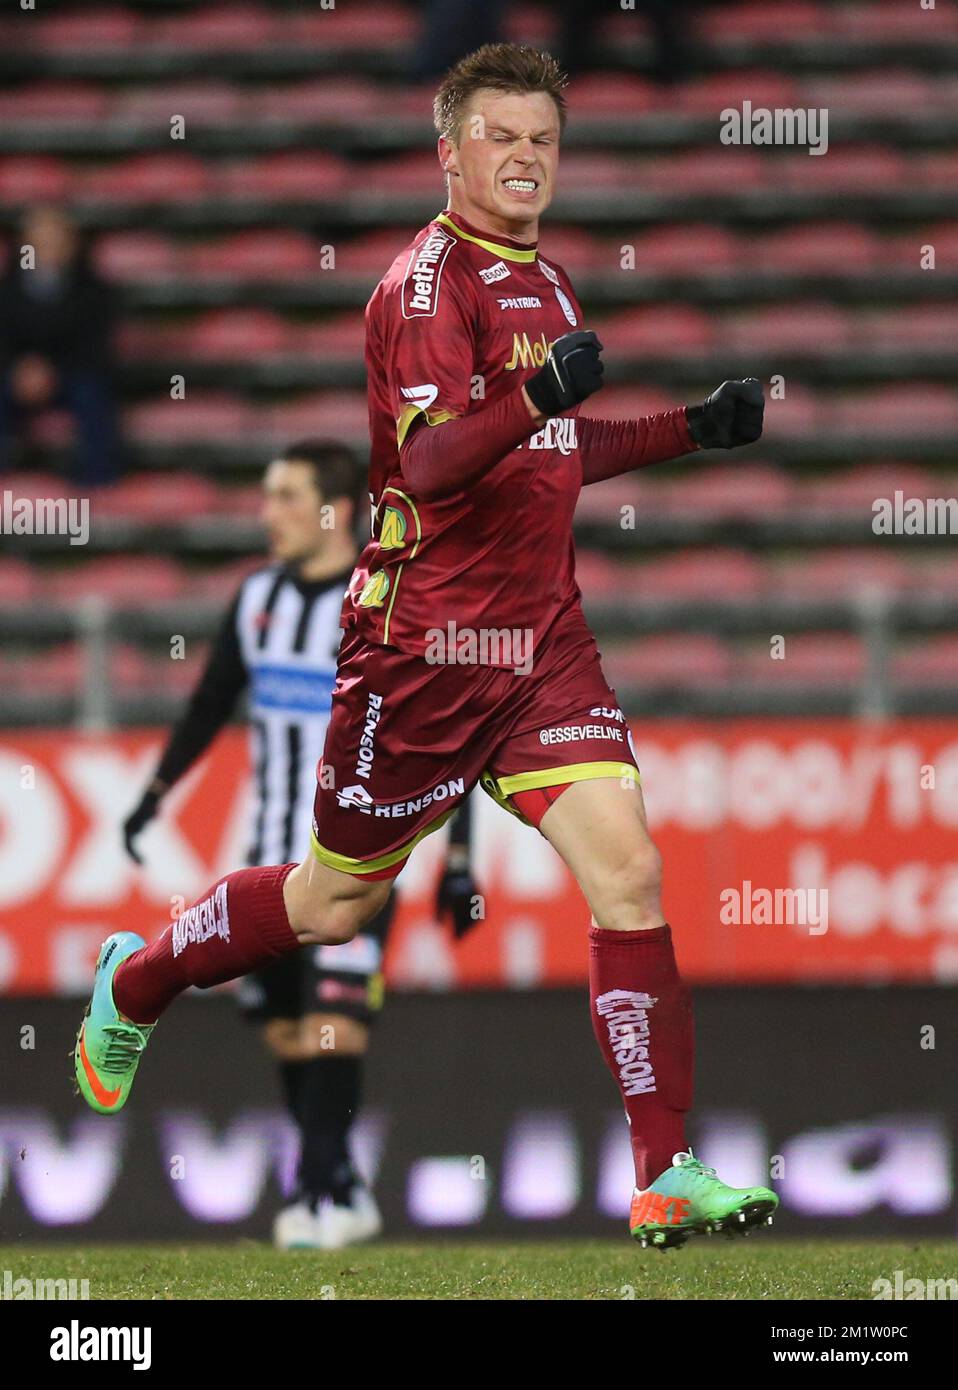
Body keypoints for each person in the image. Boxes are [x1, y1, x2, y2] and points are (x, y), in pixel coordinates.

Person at [75, 43, 777, 1250]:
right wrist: (541, 394)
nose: (524, 157)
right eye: (500, 136)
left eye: (542, 139)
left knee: (630, 871)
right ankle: (137, 980)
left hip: (541, 642)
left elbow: (553, 451)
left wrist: (686, 431)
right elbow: (439, 460)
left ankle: (664, 1172)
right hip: (428, 644)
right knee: (331, 904)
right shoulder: (422, 283)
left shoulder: (549, 284)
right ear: (449, 151)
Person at [119, 440, 478, 1249]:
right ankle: (339, 1180)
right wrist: (151, 796)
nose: (267, 512)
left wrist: (459, 859)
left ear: (334, 509)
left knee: (336, 1022)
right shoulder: (255, 601)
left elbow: (451, 734)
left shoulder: (388, 606)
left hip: (359, 864)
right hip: (269, 869)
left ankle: (318, 1197)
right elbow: (209, 705)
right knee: (288, 1029)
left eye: (285, 495)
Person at [0, 205, 121, 486]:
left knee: (93, 394)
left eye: (56, 241)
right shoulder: (6, 290)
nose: (48, 249)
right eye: (40, 242)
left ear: (72, 245)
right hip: (15, 377)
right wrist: (20, 369)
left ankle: (98, 482)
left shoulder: (95, 292)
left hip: (73, 376)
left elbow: (96, 347)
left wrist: (53, 370)